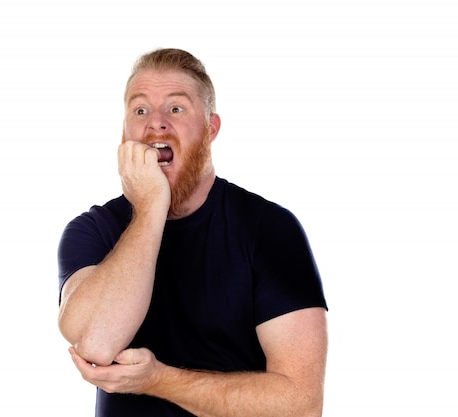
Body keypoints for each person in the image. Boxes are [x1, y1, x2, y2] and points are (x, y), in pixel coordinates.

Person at [57, 48, 328, 417]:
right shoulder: (91, 230)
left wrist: (158, 380)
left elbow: (301, 404)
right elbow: (97, 345)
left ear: (211, 129)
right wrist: (152, 206)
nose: (156, 124)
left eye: (176, 109)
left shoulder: (270, 229)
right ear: (124, 134)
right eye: (140, 110)